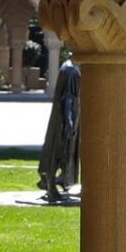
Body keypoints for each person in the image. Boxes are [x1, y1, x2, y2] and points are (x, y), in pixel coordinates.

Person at [36, 54, 80, 204]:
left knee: (63, 153)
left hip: (64, 117)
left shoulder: (68, 67)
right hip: (65, 119)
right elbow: (68, 98)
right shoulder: (71, 70)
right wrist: (69, 122)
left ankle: (60, 180)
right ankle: (50, 185)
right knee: (59, 152)